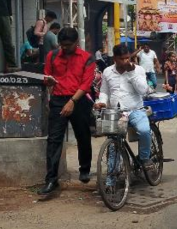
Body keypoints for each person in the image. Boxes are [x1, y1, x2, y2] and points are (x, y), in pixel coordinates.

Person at [38, 28, 96, 196]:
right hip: (58, 100)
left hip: (79, 100)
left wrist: (72, 101)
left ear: (76, 43)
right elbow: (47, 75)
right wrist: (48, 81)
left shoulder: (87, 58)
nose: (65, 48)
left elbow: (86, 84)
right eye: (62, 45)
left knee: (83, 136)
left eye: (68, 45)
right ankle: (51, 179)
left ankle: (84, 169)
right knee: (54, 139)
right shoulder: (53, 56)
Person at [94, 44, 155, 173]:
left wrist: (131, 73)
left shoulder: (138, 70)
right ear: (115, 58)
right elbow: (104, 91)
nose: (126, 61)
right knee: (113, 144)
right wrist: (102, 102)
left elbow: (143, 90)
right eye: (122, 59)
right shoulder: (107, 72)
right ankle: (112, 175)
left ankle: (144, 158)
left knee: (144, 131)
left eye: (127, 58)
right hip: (115, 113)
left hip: (136, 110)